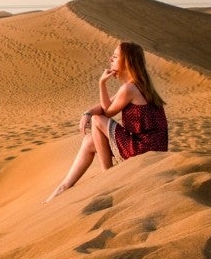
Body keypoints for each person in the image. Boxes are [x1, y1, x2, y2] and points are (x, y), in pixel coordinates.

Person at [45, 42, 168, 202]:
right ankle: (62, 188)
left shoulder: (129, 89)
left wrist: (101, 84)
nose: (111, 59)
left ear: (127, 62)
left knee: (97, 120)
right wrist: (87, 113)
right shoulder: (137, 85)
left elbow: (107, 112)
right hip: (151, 149)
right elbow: (107, 104)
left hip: (142, 150)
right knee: (89, 141)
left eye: (115, 57)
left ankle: (107, 177)